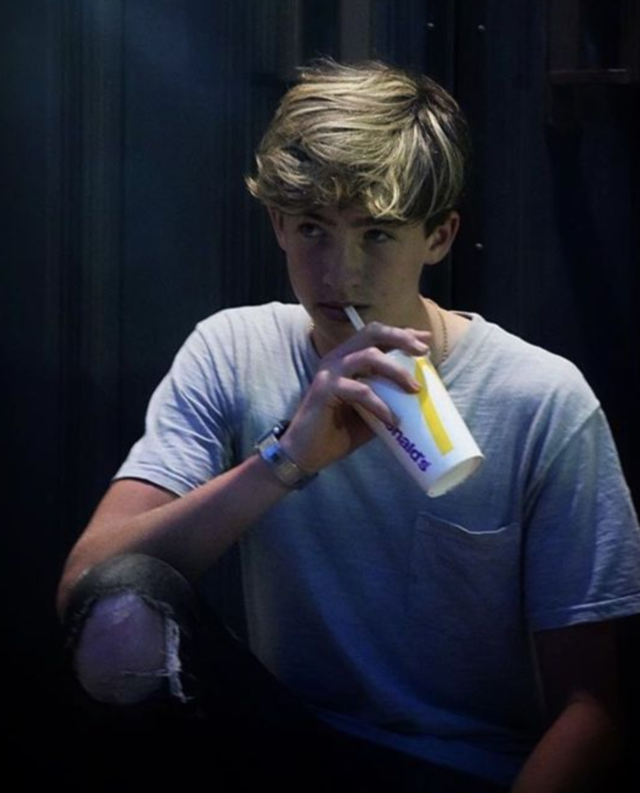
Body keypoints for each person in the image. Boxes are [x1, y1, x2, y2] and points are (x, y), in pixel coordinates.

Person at [56, 59, 640, 792]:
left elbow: (594, 708)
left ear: (440, 236)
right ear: (278, 224)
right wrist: (287, 459)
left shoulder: (539, 397)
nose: (341, 275)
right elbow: (89, 588)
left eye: (378, 234)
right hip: (289, 745)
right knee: (128, 609)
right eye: (314, 229)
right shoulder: (235, 349)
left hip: (458, 770)